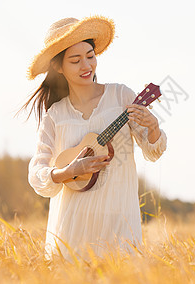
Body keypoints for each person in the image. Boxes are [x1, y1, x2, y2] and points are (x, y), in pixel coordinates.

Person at [23, 16, 167, 259]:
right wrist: (70, 171)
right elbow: (37, 173)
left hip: (118, 221)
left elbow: (152, 150)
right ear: (59, 67)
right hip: (71, 226)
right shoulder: (55, 116)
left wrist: (153, 126)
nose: (86, 65)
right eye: (75, 60)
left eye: (90, 56)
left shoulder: (120, 96)